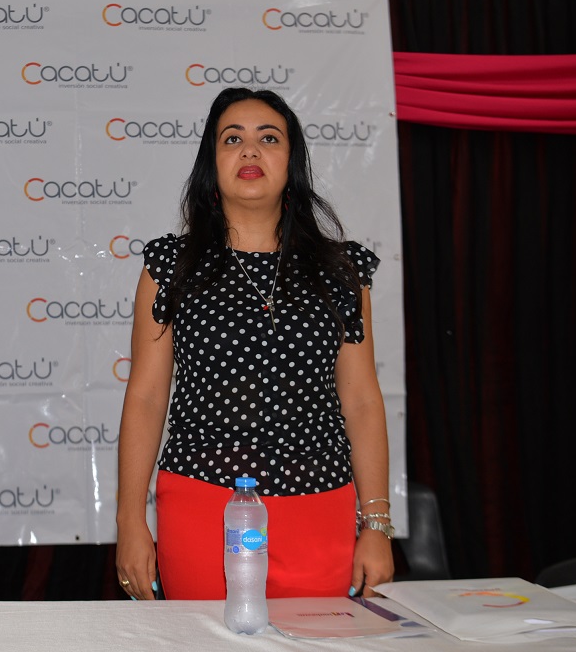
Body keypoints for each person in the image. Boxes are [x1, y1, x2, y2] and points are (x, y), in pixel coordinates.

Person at [115, 87, 393, 601]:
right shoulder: (170, 267)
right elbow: (147, 397)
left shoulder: (341, 271)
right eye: (232, 139)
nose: (250, 151)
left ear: (293, 162)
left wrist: (376, 523)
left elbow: (361, 400)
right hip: (201, 501)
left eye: (269, 138)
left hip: (319, 505)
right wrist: (130, 520)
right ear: (211, 164)